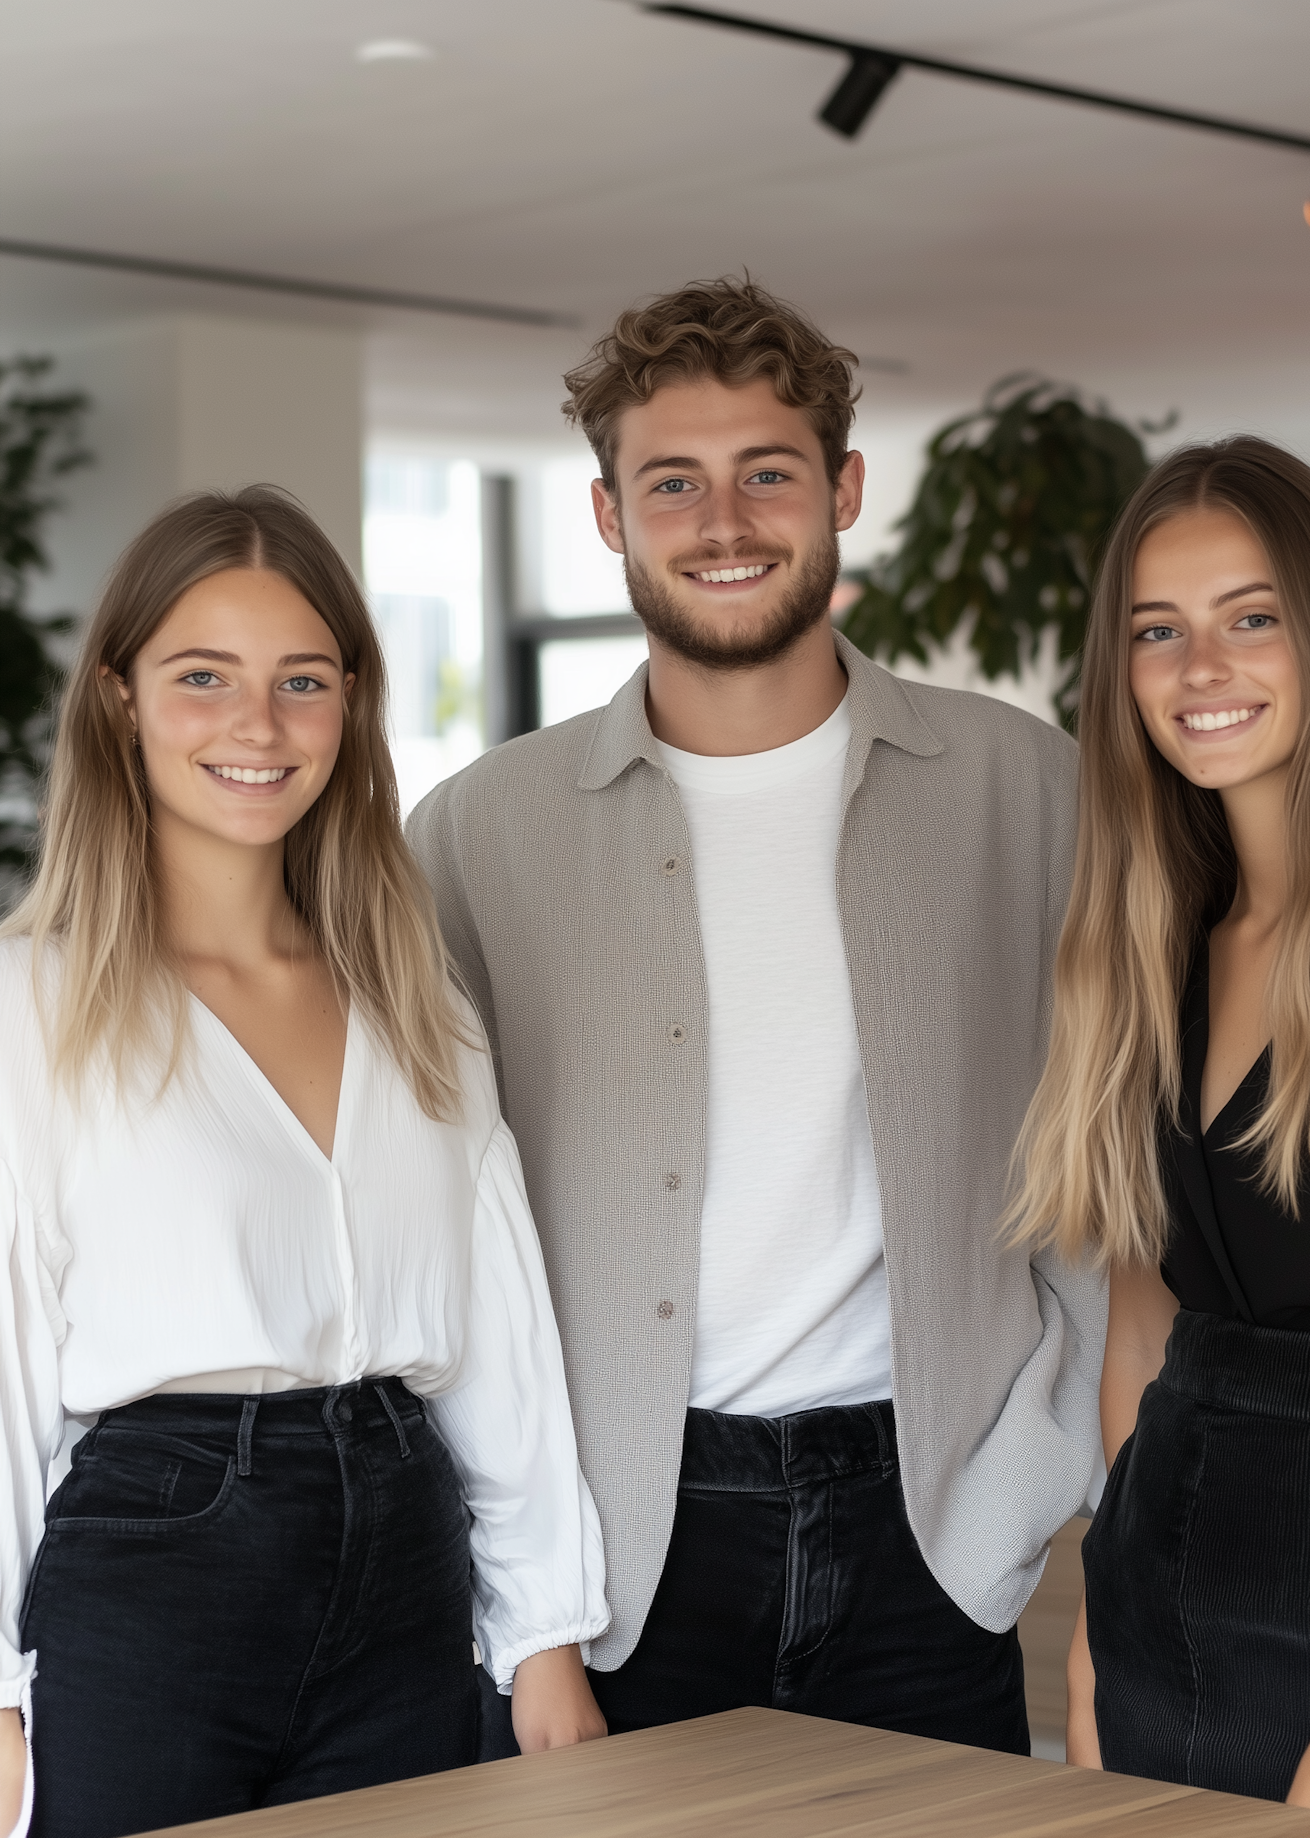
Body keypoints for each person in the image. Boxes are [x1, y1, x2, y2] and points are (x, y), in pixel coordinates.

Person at [408, 276, 1104, 1752]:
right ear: (609, 515)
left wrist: (1050, 1460)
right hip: (616, 1555)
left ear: (843, 487)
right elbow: (436, 1231)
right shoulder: (479, 836)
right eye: (674, 482)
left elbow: (1113, 1138)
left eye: (767, 473)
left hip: (937, 1528)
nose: (724, 521)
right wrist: (519, 1591)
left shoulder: (1021, 788)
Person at [0, 487, 608, 1838]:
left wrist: (544, 1636)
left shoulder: (413, 999)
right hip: (151, 1566)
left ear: (351, 706)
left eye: (303, 681)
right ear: (118, 700)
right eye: (202, 677)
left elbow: (500, 1338)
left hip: (403, 1547)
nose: (257, 726)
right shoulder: (29, 1006)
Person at [1009, 435, 1310, 1838]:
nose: (1200, 668)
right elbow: (1145, 1335)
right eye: (1159, 632)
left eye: (1251, 617)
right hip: (1177, 1613)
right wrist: (1104, 1621)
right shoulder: (1143, 952)